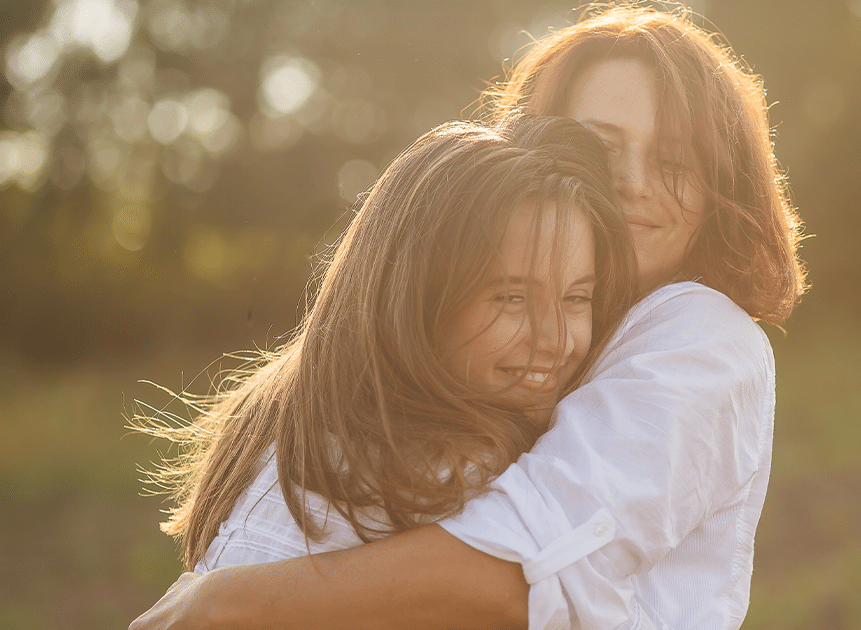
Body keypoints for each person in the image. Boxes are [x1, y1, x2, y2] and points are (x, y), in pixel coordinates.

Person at [131, 4, 805, 630]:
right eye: (600, 148)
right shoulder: (428, 383)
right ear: (538, 143)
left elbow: (524, 566)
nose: (632, 180)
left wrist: (220, 601)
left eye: (673, 160)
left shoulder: (699, 336)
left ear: (720, 184)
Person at [136, 115, 637, 579]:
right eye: (511, 297)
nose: (554, 340)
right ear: (414, 300)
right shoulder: (440, 474)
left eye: (577, 297)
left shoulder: (296, 414)